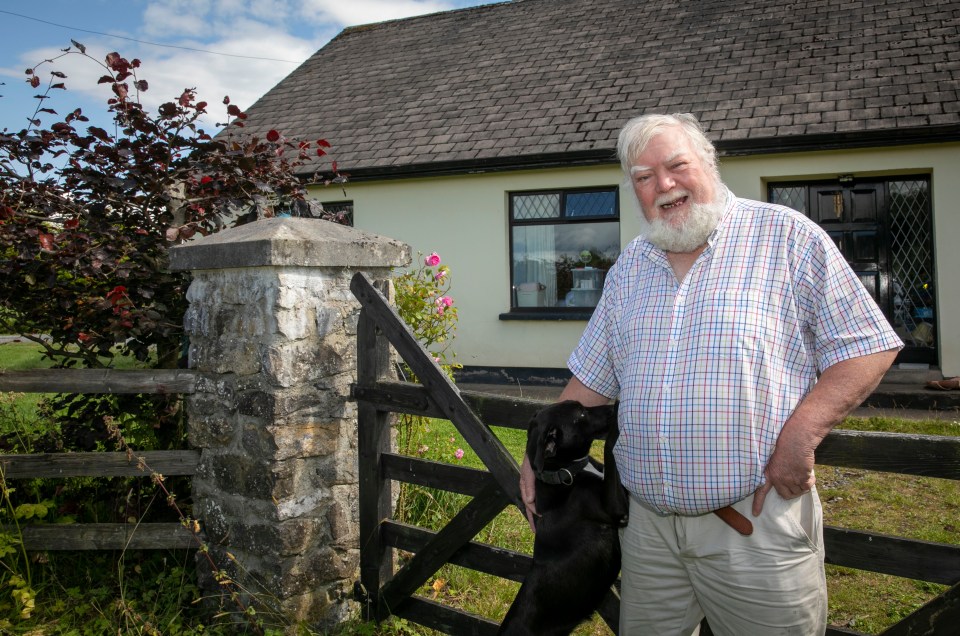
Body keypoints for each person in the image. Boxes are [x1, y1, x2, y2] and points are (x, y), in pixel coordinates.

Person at [519, 112, 903, 635]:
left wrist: (801, 435)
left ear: (709, 162)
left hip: (754, 530)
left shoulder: (787, 239)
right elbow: (591, 379)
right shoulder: (630, 267)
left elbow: (868, 347)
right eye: (644, 177)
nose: (664, 185)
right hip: (647, 534)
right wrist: (535, 451)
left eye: (677, 166)